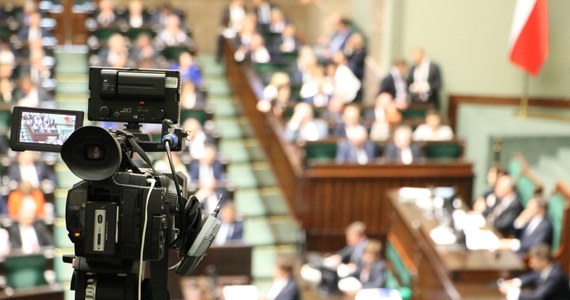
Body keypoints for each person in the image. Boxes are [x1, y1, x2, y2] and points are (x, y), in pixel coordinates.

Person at [499, 244, 570, 300]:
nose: (530, 263)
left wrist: (511, 292)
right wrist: (514, 283)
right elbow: (532, 277)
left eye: (533, 260)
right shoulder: (547, 268)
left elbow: (538, 297)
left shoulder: (556, 276)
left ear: (544, 261)